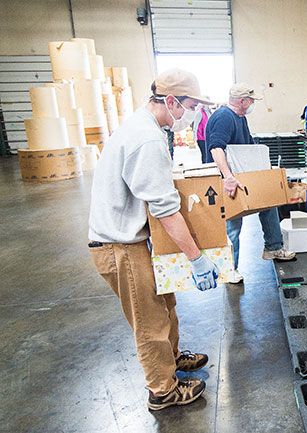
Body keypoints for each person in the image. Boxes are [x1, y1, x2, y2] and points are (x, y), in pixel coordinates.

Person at [88, 68, 219, 410]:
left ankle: (173, 359)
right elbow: (165, 209)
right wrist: (196, 257)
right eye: (191, 106)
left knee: (166, 305)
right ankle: (163, 391)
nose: (194, 115)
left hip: (132, 239)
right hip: (120, 245)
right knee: (150, 321)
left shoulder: (145, 127)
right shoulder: (146, 139)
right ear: (171, 101)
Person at [202, 83, 295, 284]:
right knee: (233, 224)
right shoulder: (224, 117)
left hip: (242, 173)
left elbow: (248, 146)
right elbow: (216, 149)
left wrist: (264, 174)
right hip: (227, 177)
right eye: (251, 100)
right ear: (242, 101)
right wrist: (228, 178)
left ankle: (273, 247)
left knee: (268, 202)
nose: (253, 104)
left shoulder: (240, 118)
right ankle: (229, 269)